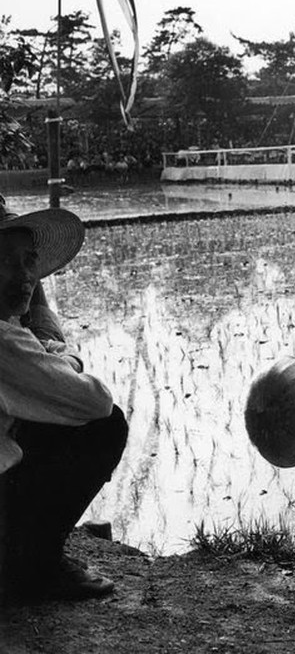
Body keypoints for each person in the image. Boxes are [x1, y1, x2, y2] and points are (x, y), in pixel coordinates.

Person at [0, 196, 128, 603]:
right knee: (106, 427)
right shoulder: (5, 341)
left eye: (29, 262)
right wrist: (65, 355)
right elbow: (95, 402)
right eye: (6, 261)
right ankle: (36, 564)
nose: (25, 277)